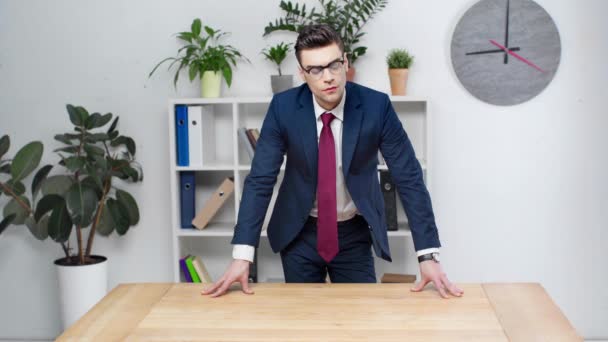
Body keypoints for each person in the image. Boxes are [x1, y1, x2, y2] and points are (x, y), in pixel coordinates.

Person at [202, 24, 463, 299]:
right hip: (299, 232)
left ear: (345, 61)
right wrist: (243, 254)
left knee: (358, 320)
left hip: (354, 233)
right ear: (303, 74)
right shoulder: (283, 108)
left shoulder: (376, 107)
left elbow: (408, 176)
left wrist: (427, 255)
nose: (328, 77)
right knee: (302, 320)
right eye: (315, 70)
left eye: (334, 65)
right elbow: (260, 180)